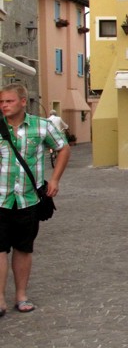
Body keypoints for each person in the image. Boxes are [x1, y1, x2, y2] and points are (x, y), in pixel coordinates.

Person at [0, 83, 71, 315]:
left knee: (23, 248)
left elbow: (63, 148)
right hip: (0, 198)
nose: (4, 106)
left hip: (28, 199)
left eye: (9, 101)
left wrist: (55, 179)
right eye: (1, 102)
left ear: (23, 102)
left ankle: (21, 296)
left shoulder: (42, 126)